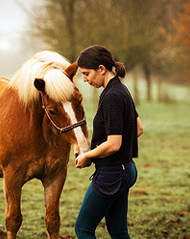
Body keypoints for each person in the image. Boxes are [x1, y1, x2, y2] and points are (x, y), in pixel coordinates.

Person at [74, 45, 143, 239]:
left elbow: (114, 144)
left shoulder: (111, 96)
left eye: (87, 74)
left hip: (111, 175)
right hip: (126, 169)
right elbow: (138, 129)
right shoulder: (121, 89)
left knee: (83, 229)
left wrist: (89, 155)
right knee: (118, 231)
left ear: (102, 69)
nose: (85, 79)